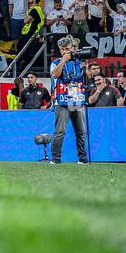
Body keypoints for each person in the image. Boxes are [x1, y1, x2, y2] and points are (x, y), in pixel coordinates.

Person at [49, 36, 89, 164]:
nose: (65, 51)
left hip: (77, 101)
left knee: (81, 132)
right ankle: (56, 159)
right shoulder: (55, 63)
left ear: (73, 48)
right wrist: (63, 61)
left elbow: (86, 79)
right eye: (62, 49)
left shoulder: (79, 63)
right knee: (60, 131)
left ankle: (82, 159)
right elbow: (55, 75)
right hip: (62, 101)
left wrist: (86, 68)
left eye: (67, 49)